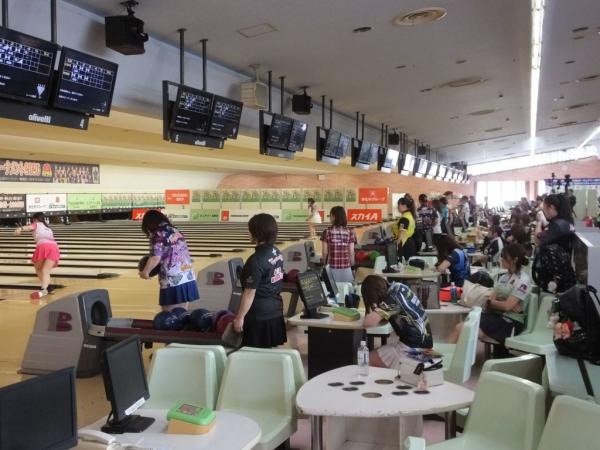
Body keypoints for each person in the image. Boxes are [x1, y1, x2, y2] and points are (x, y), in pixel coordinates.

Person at [448, 243, 532, 349]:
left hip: (510, 322)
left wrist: (498, 303)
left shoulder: (523, 280)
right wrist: (500, 303)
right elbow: (491, 301)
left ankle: (448, 357)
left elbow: (506, 306)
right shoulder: (504, 277)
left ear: (514, 259)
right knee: (460, 328)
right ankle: (450, 357)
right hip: (496, 317)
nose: (501, 259)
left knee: (461, 330)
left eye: (504, 257)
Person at [233, 213, 286, 348]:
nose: (248, 233)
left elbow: (249, 293)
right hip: (275, 311)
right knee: (269, 353)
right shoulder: (276, 252)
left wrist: (240, 317)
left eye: (250, 230)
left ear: (257, 233)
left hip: (259, 317)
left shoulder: (256, 260)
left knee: (255, 355)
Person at [361, 275, 432, 369]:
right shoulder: (399, 287)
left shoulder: (392, 299)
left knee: (366, 359)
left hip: (412, 349)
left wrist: (373, 311)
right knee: (377, 352)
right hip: (422, 343)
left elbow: (368, 323)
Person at [139, 210, 199, 311]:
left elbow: (155, 257)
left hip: (173, 279)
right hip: (187, 275)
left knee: (168, 313)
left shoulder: (158, 234)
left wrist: (145, 272)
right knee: (182, 312)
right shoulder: (175, 230)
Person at [14, 212, 61, 299]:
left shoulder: (36, 224)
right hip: (54, 247)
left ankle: (44, 289)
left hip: (43, 247)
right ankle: (48, 288)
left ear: (35, 219)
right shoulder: (48, 228)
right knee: (45, 270)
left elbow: (29, 227)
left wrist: (20, 228)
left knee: (40, 269)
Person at [321, 206, 356, 283]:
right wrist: (353, 268)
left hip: (332, 268)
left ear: (334, 217)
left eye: (330, 216)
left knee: (332, 290)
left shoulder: (326, 232)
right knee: (347, 290)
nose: (330, 218)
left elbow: (324, 252)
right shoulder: (350, 232)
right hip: (346, 269)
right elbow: (351, 253)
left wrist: (324, 265)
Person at [392, 197, 417, 262]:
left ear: (404, 205)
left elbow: (401, 234)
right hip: (409, 243)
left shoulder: (405, 218)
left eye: (399, 205)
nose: (397, 207)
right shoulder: (409, 215)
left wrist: (395, 246)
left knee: (403, 265)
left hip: (404, 244)